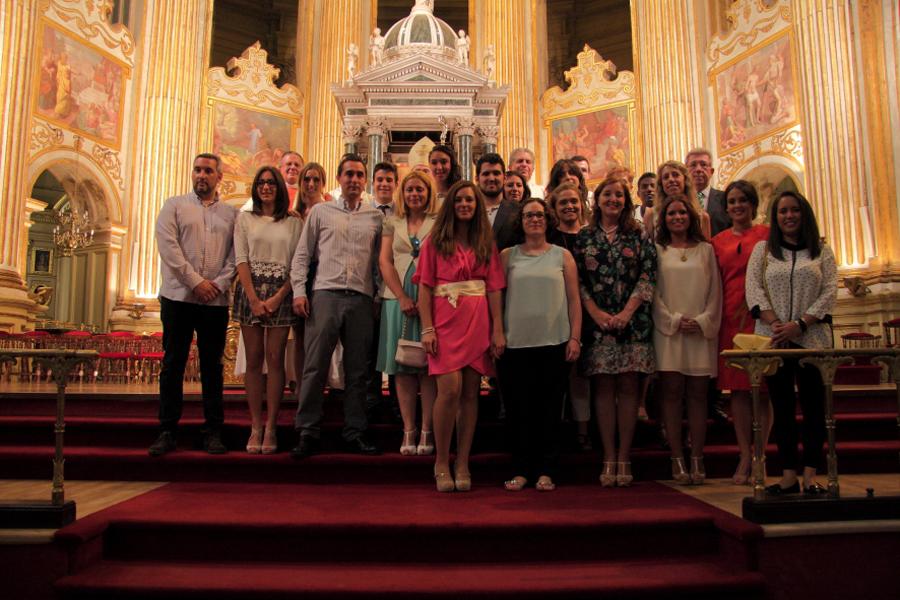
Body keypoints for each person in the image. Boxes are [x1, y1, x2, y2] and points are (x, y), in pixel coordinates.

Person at [289, 154, 383, 458]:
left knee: (357, 371)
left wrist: (379, 297)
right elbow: (303, 255)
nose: (354, 180)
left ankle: (354, 431)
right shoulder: (320, 212)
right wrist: (299, 292)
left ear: (364, 180)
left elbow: (379, 265)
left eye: (359, 175)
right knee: (315, 366)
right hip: (325, 295)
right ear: (340, 179)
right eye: (349, 175)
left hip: (361, 298)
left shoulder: (375, 218)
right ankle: (307, 430)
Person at [746, 191, 837, 495]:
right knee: (782, 409)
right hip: (774, 340)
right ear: (775, 216)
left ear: (803, 213)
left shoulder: (821, 251)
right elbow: (754, 290)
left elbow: (829, 292)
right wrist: (776, 325)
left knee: (814, 409)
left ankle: (810, 475)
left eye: (794, 210)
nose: (788, 216)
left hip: (812, 339)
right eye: (782, 211)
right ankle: (787, 475)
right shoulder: (764, 250)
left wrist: (799, 325)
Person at [417, 180, 506, 492]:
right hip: (444, 320)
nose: (465, 205)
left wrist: (497, 329)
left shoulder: (486, 242)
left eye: (470, 200)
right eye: (459, 200)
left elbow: (494, 287)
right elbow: (424, 287)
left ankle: (463, 461)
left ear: (477, 205)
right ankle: (442, 460)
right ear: (451, 206)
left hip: (477, 320)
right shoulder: (434, 241)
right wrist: (427, 327)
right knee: (450, 390)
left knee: (470, 392)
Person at [149, 153, 237, 456]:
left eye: (208, 171)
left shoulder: (231, 214)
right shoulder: (174, 206)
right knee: (173, 363)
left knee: (213, 367)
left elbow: (237, 255)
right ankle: (167, 430)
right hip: (178, 297)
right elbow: (168, 248)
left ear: (219, 177)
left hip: (215, 301)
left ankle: (213, 431)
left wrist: (220, 284)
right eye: (198, 169)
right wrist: (195, 282)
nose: (202, 175)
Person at [575, 176, 657, 486]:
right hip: (598, 327)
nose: (613, 199)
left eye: (619, 195)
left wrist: (626, 312)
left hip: (632, 325)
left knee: (628, 390)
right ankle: (608, 456)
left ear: (626, 201)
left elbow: (648, 276)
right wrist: (595, 313)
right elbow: (578, 281)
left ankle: (625, 456)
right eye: (607, 194)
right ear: (597, 201)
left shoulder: (638, 237)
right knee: (604, 391)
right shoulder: (585, 238)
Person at [499, 198, 581, 492]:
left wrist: (574, 337)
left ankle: (546, 469)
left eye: (539, 215)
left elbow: (574, 300)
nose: (534, 219)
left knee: (549, 410)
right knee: (518, 410)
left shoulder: (563, 256)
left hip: (554, 343)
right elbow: (496, 298)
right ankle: (521, 469)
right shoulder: (508, 256)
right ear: (520, 221)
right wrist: (497, 332)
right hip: (515, 344)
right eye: (528, 215)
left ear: (548, 220)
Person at [233, 167, 303, 454]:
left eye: (271, 182)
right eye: (261, 182)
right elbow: (241, 259)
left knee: (275, 361)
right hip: (250, 290)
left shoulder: (293, 222)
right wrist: (252, 297)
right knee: (254, 360)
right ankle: (255, 426)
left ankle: (272, 426)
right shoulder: (244, 218)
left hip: (280, 292)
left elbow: (297, 263)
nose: (266, 187)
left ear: (279, 187)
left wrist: (276, 298)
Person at [652, 195, 722, 484]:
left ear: (691, 217)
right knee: (671, 394)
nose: (677, 217)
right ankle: (677, 457)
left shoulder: (705, 250)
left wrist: (704, 320)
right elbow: (652, 292)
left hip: (699, 331)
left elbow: (715, 292)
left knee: (697, 395)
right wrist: (673, 319)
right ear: (664, 219)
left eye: (682, 212)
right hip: (669, 331)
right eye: (671, 214)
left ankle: (697, 456)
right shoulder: (657, 250)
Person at [712, 180, 772, 484]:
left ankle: (760, 455)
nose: (737, 206)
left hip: (761, 318)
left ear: (752, 204)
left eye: (742, 201)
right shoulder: (718, 241)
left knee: (761, 390)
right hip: (729, 319)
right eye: (732, 201)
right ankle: (744, 454)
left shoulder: (767, 236)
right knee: (736, 390)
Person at [377, 171, 438, 455]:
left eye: (420, 190)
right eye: (410, 189)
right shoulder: (392, 221)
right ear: (403, 193)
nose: (415, 194)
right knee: (402, 367)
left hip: (429, 296)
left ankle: (427, 429)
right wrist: (401, 296)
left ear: (428, 193)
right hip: (396, 297)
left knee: (427, 366)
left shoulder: (437, 222)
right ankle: (408, 429)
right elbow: (385, 261)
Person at [546, 182, 592, 451]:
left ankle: (584, 429)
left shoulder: (590, 236)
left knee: (582, 374)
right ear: (554, 207)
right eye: (563, 202)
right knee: (559, 374)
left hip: (589, 312)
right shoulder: (550, 239)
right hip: (556, 312)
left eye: (573, 201)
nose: (569, 206)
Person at [643, 161, 711, 241]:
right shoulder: (651, 214)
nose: (671, 179)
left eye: (675, 175)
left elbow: (706, 250)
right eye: (666, 177)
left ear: (685, 180)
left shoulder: (702, 217)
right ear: (661, 184)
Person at [477, 153, 518, 250]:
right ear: (477, 179)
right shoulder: (469, 211)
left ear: (504, 178)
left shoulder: (517, 211)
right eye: (486, 174)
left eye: (496, 173)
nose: (491, 178)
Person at [686, 148, 730, 240]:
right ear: (685, 172)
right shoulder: (680, 202)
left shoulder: (725, 198)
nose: (698, 169)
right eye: (693, 165)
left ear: (711, 171)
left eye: (703, 165)